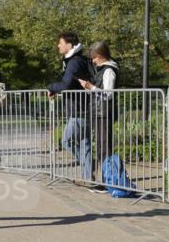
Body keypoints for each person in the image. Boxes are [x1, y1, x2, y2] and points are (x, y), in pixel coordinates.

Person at [47, 31, 91, 182]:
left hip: (79, 109)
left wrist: (51, 87)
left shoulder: (74, 62)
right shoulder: (78, 60)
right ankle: (88, 177)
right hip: (82, 108)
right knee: (84, 143)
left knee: (67, 141)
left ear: (70, 45)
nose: (58, 46)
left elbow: (66, 85)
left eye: (61, 43)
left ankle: (89, 167)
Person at [78, 41, 119, 193]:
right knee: (101, 147)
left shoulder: (109, 71)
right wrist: (89, 88)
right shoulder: (103, 70)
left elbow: (108, 94)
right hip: (99, 112)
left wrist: (91, 87)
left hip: (104, 112)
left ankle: (108, 181)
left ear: (101, 55)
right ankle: (106, 180)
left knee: (105, 148)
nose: (93, 61)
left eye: (94, 58)